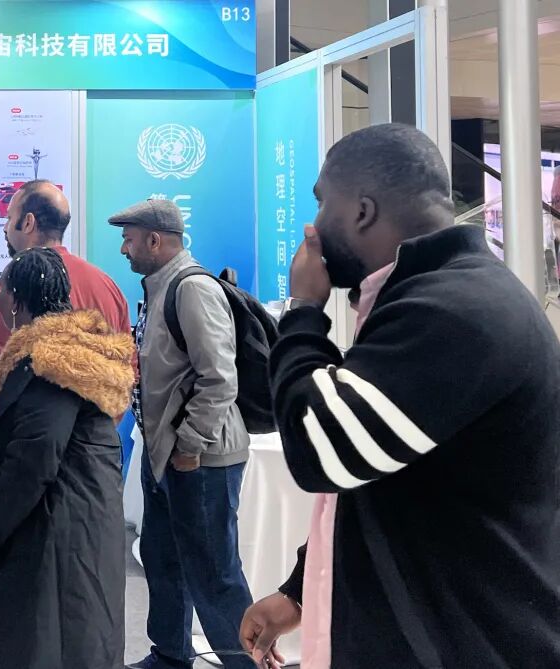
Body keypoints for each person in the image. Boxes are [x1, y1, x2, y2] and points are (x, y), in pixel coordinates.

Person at [240, 124, 560, 669]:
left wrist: (303, 312)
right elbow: (379, 473)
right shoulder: (436, 295)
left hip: (470, 643)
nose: (313, 226)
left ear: (362, 211)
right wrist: (300, 590)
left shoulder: (454, 309)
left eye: (322, 203)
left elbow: (319, 449)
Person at [0, 247, 133, 669]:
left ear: (15, 301)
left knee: (45, 642)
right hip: (77, 520)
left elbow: (35, 457)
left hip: (55, 529)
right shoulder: (71, 351)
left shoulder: (50, 364)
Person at [113, 199, 253, 669]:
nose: (124, 249)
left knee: (215, 577)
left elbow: (220, 379)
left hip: (201, 460)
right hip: (165, 456)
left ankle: (245, 663)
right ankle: (171, 655)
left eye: (129, 239)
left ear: (155, 240)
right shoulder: (158, 288)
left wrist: (189, 446)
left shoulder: (191, 289)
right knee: (163, 559)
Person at [0, 179, 133, 476]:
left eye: (9, 218)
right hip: (96, 460)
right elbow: (127, 371)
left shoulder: (13, 289)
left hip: (29, 462)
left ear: (28, 222)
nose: (5, 227)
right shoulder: (107, 286)